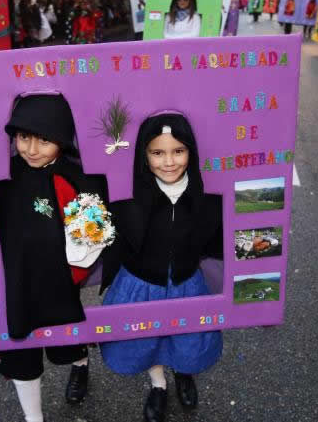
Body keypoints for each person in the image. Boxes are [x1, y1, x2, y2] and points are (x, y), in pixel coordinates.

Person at [0, 94, 110, 422]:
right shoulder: (2, 175)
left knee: (69, 338)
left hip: (58, 280)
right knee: (20, 351)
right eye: (23, 136)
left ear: (62, 138)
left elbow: (94, 238)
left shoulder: (77, 176)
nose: (31, 148)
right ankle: (33, 417)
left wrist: (74, 273)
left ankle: (80, 366)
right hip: (17, 281)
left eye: (44, 139)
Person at [100, 112, 222, 422]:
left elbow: (221, 239)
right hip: (140, 284)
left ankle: (183, 371)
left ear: (191, 152)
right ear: (144, 154)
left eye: (178, 151)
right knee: (145, 340)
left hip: (186, 282)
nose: (168, 161)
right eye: (157, 152)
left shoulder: (205, 196)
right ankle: (158, 383)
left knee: (187, 340)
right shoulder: (127, 195)